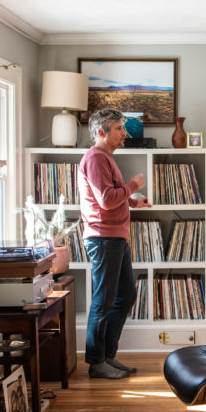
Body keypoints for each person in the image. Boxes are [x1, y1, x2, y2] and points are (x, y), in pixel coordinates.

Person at [79, 108, 151, 379]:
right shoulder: (96, 158)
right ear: (101, 132)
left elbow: (112, 196)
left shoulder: (105, 158)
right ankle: (96, 362)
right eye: (120, 128)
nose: (126, 133)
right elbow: (107, 200)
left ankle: (108, 355)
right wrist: (132, 185)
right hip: (104, 237)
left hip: (115, 236)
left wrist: (134, 202)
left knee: (125, 295)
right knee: (103, 300)